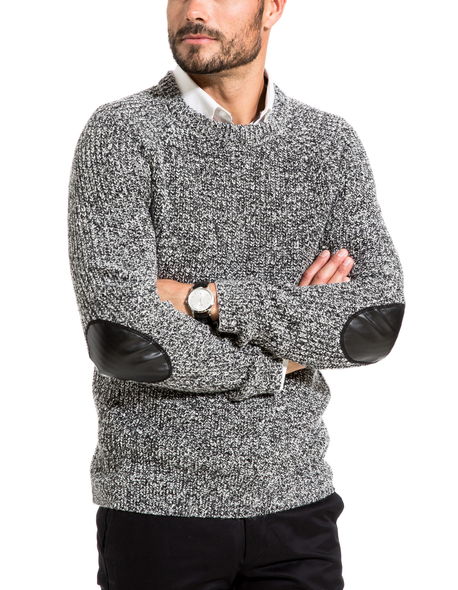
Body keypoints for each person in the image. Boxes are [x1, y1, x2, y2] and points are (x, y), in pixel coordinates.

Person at [67, 1, 406, 588]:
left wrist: (204, 299)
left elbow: (372, 322)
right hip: (158, 508)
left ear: (272, 7)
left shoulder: (328, 144)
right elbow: (126, 339)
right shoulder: (121, 133)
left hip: (299, 505)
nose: (194, 10)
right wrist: (287, 349)